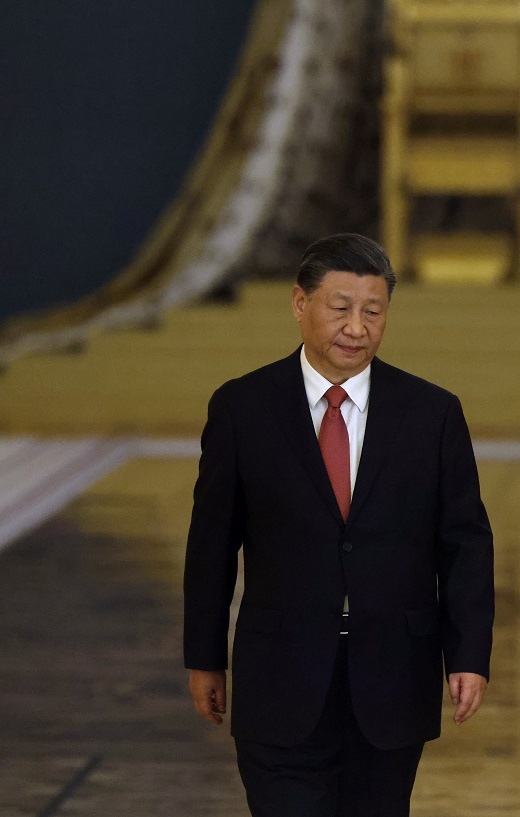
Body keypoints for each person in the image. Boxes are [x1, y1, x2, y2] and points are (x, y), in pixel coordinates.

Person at [183, 233, 495, 817]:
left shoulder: (432, 413)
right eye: (341, 308)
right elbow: (212, 545)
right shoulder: (242, 408)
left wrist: (470, 654)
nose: (357, 327)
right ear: (300, 304)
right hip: (279, 680)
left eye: (373, 312)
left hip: (393, 681)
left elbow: (465, 545)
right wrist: (204, 656)